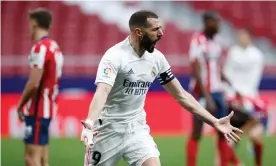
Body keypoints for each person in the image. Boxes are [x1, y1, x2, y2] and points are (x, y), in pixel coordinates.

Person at [81, 10, 242, 166]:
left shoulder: (156, 58)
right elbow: (102, 91)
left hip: (136, 129)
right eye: (155, 29)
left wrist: (214, 122)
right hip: (108, 130)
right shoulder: (115, 56)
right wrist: (89, 123)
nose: (161, 33)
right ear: (138, 32)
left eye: (161, 28)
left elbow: (181, 95)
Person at [186, 11, 241, 166]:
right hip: (202, 93)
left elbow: (217, 67)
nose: (218, 25)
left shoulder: (217, 40)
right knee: (197, 133)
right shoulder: (197, 40)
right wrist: (206, 96)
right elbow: (196, 69)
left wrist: (229, 83)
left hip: (217, 92)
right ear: (207, 22)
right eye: (215, 22)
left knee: (223, 132)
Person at [17, 8, 64, 166]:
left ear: (34, 23)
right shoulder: (54, 46)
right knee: (43, 160)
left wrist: (20, 104)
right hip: (48, 107)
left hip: (37, 109)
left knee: (31, 159)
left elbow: (34, 83)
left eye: (29, 23)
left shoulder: (40, 47)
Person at [224, 29, 266, 166]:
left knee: (255, 136)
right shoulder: (233, 53)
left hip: (250, 100)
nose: (240, 38)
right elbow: (227, 73)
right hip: (233, 101)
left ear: (250, 38)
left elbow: (255, 78)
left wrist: (245, 96)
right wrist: (232, 93)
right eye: (239, 36)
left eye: (243, 36)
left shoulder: (257, 55)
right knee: (227, 142)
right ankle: (234, 162)